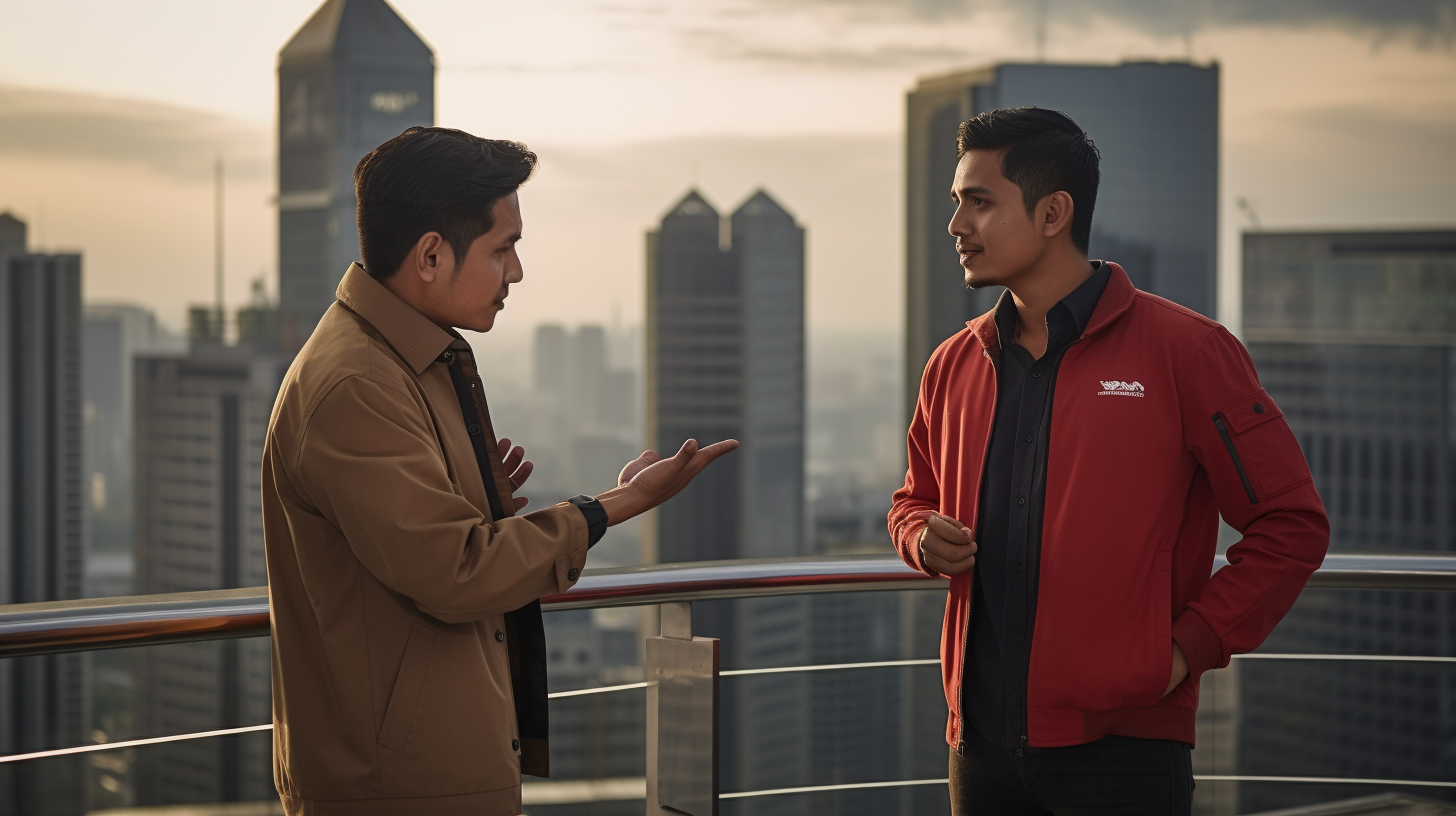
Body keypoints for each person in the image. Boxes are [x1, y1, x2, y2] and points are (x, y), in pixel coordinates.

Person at [262, 126, 737, 815]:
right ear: (430, 254)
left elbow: (431, 553)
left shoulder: (404, 361)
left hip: (428, 772)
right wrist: (615, 505)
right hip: (395, 791)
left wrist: (484, 509)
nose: (516, 272)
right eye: (504, 247)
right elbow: (457, 572)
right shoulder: (358, 384)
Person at [888, 107, 1329, 815]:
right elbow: (912, 499)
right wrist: (918, 536)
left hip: (1124, 754)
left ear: (1053, 212)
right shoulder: (953, 364)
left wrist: (1187, 648)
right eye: (955, 203)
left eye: (979, 202)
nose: (956, 226)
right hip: (979, 750)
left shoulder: (1187, 351)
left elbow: (1292, 524)